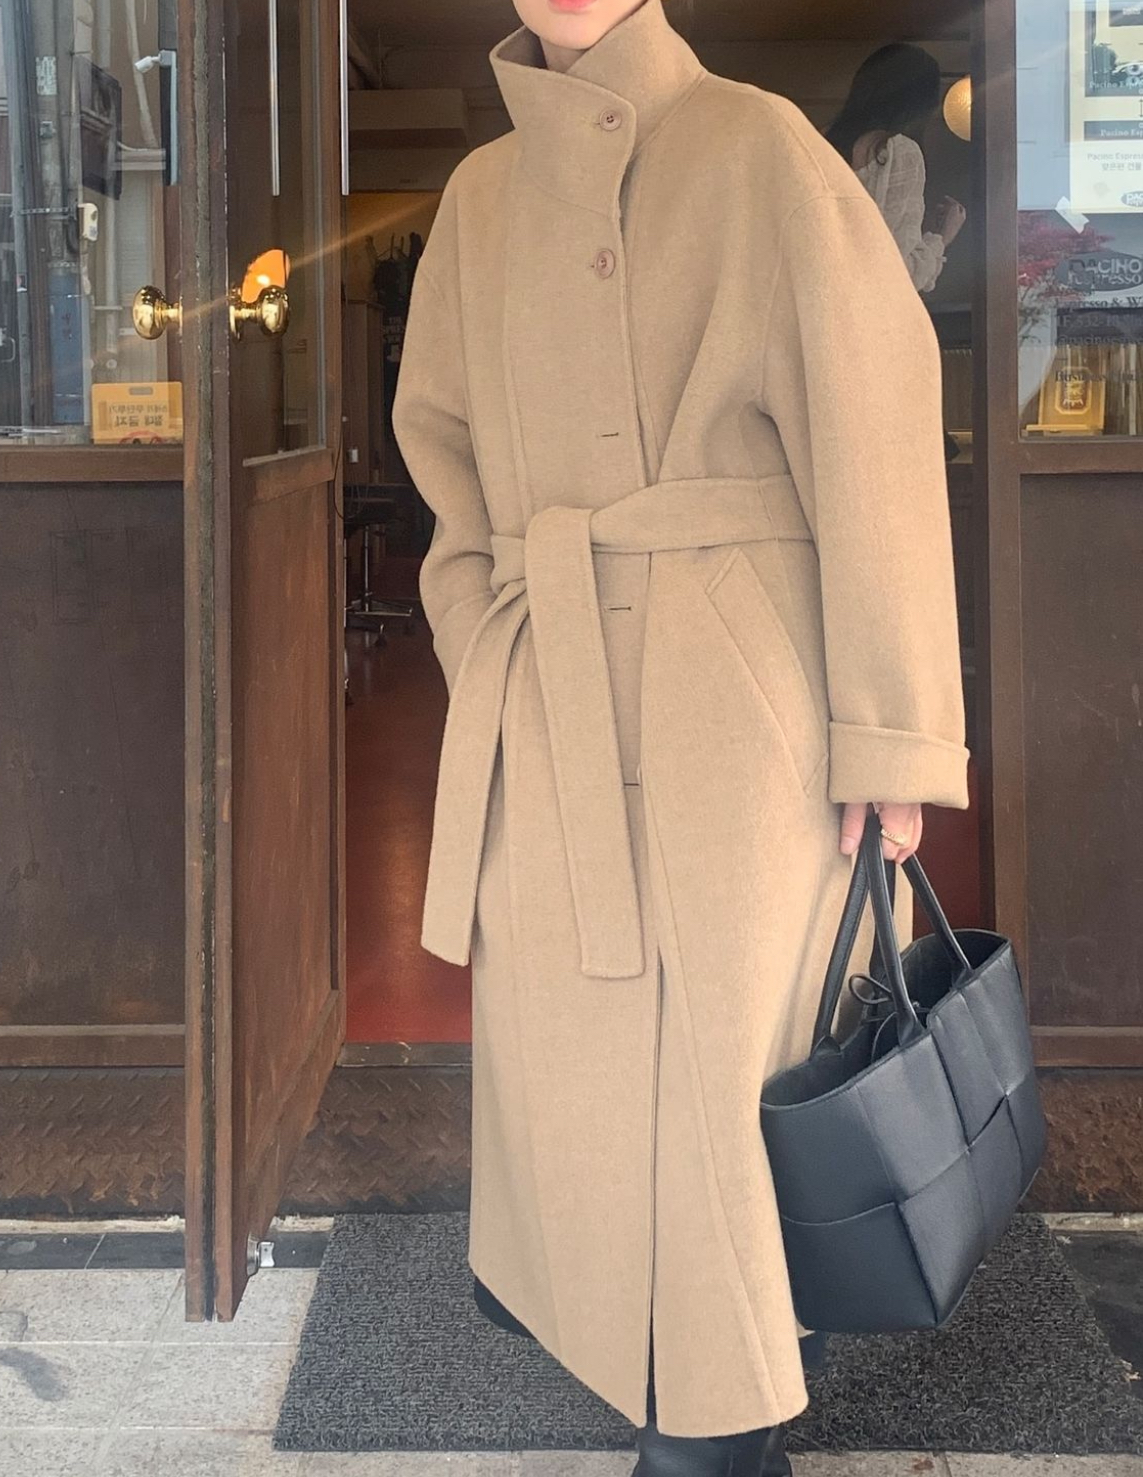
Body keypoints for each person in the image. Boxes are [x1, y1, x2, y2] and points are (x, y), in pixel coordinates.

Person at [392, 3, 969, 1473]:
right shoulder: (476, 200)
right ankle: (671, 1378)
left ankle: (720, 1423)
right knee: (588, 1091)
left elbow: (875, 437)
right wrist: (480, 639)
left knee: (734, 1088)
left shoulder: (758, 150)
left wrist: (889, 736)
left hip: (741, 722)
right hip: (553, 703)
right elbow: (443, 466)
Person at [826, 43, 967, 294]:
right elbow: (898, 272)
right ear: (920, 104)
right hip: (863, 307)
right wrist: (942, 237)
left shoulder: (821, 141)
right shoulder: (898, 152)